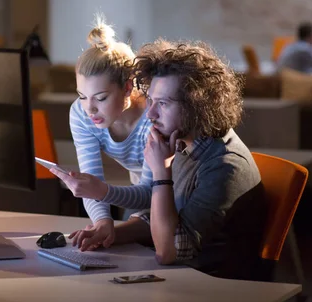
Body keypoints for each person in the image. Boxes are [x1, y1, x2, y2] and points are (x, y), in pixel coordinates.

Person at [67, 39, 267, 280]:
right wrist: (108, 235)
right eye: (150, 101)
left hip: (213, 285)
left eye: (162, 104)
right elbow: (158, 218)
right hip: (180, 276)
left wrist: (161, 173)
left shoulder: (225, 166)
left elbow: (168, 250)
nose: (150, 114)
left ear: (197, 106)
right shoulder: (184, 142)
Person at [48, 18, 153, 249]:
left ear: (127, 87)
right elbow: (91, 177)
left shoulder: (155, 116)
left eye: (101, 98)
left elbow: (151, 193)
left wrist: (103, 192)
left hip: (181, 196)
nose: (90, 109)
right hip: (140, 198)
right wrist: (103, 220)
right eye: (82, 96)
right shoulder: (81, 113)